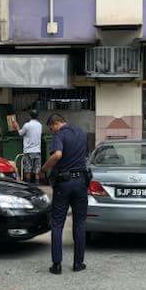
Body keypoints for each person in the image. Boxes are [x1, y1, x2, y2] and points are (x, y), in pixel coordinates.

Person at [40, 113, 89, 275]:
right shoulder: (81, 133)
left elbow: (57, 155)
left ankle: (57, 265)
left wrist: (44, 168)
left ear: (55, 124)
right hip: (81, 182)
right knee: (80, 223)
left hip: (64, 184)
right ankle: (78, 263)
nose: (52, 131)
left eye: (51, 128)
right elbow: (85, 155)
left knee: (57, 224)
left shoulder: (59, 135)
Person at [18, 110, 43, 184]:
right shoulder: (40, 125)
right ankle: (37, 185)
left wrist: (16, 126)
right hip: (37, 151)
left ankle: (28, 185)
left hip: (28, 151)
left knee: (27, 170)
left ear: (30, 116)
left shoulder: (27, 125)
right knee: (37, 171)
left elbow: (20, 133)